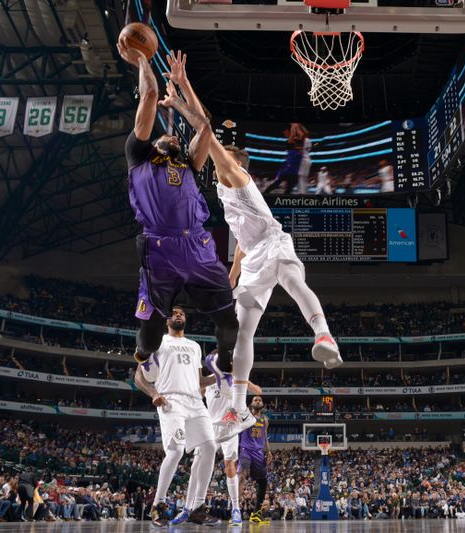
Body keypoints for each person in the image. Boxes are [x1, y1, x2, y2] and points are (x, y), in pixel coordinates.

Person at [158, 54, 342, 440]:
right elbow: (240, 252)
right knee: (241, 330)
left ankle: (323, 335)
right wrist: (229, 284)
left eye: (217, 157)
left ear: (233, 162)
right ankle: (239, 409)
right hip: (255, 255)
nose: (210, 160)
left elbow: (205, 125)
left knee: (292, 280)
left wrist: (181, 93)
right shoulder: (227, 199)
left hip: (275, 242)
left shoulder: (235, 175)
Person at [115, 43, 238, 377]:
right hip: (160, 246)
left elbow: (205, 129)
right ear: (154, 143)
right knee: (152, 335)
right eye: (164, 136)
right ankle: (143, 354)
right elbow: (150, 95)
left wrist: (182, 91)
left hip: (197, 244)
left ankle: (223, 363)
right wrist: (142, 58)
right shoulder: (138, 155)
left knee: (230, 321)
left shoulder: (186, 163)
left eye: (174, 138)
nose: (169, 136)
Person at [133, 306, 220, 527]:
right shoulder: (157, 342)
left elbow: (200, 381)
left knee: (210, 447)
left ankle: (197, 508)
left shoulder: (195, 346)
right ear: (166, 321)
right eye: (173, 313)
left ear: (186, 319)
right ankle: (158, 506)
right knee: (176, 451)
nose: (178, 314)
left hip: (195, 401)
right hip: (171, 400)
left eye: (181, 313)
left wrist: (220, 375)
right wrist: (154, 393)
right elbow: (138, 377)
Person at [203, 377, 263, 527]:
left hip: (230, 426)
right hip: (210, 427)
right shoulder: (208, 380)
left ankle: (236, 509)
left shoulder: (234, 378)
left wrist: (245, 381)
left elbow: (258, 391)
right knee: (200, 465)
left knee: (230, 466)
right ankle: (191, 507)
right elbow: (195, 394)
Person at [237, 395, 272, 524]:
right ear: (251, 404)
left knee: (263, 481)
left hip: (258, 452)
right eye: (255, 400)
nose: (257, 401)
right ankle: (236, 511)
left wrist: (268, 451)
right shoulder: (246, 415)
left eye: (260, 400)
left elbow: (265, 436)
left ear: (262, 404)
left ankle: (256, 513)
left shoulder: (265, 419)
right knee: (242, 476)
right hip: (245, 450)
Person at [263, 123, 309, 194]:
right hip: (289, 170)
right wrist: (295, 127)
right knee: (277, 185)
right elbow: (300, 135)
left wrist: (295, 126)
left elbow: (304, 134)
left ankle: (267, 195)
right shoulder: (292, 145)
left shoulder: (298, 145)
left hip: (292, 172)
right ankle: (264, 195)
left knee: (287, 190)